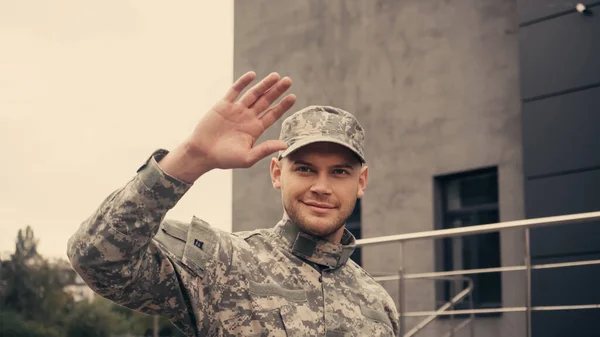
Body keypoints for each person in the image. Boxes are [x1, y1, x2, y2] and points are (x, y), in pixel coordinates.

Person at [67, 71, 400, 336]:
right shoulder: (223, 262)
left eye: (339, 172)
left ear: (361, 182)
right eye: (304, 168)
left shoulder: (378, 303)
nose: (321, 187)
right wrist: (191, 158)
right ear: (276, 173)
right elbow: (96, 258)